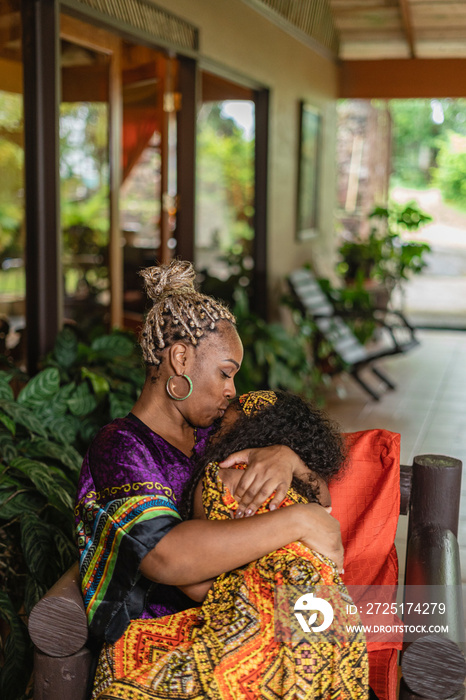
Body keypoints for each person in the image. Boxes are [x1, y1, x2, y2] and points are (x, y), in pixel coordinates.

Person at [75, 261, 343, 654]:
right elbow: (165, 556)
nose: (233, 390)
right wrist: (300, 521)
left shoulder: (218, 431)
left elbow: (320, 494)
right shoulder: (121, 446)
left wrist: (287, 459)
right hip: (160, 642)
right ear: (181, 359)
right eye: (225, 373)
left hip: (244, 621)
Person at [92, 390, 368, 699]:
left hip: (265, 628)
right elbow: (323, 499)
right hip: (332, 624)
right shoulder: (310, 493)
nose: (228, 394)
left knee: (127, 661)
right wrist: (290, 459)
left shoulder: (219, 481)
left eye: (224, 421)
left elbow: (194, 581)